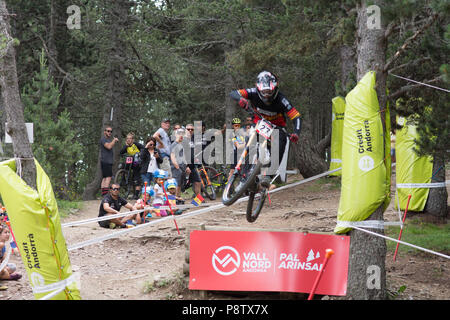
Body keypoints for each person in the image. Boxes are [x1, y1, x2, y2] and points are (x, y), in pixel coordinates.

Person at [230, 70, 301, 188]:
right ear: (258, 89)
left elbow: (296, 116)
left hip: (277, 127)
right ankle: (244, 175)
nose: (266, 95)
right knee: (250, 142)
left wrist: (296, 133)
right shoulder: (252, 93)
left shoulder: (281, 99)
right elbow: (234, 93)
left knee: (280, 144)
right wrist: (240, 99)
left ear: (275, 89)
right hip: (259, 124)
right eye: (264, 92)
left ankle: (269, 176)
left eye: (269, 92)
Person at [119, 132, 145, 199]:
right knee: (121, 165)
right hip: (129, 162)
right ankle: (123, 179)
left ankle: (136, 194)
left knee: (136, 177)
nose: (128, 140)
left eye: (130, 139)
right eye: (127, 139)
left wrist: (139, 154)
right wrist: (126, 146)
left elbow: (143, 148)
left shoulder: (136, 144)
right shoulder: (126, 146)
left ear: (133, 140)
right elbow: (121, 152)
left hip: (137, 162)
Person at [100, 126, 119, 196]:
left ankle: (103, 194)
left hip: (106, 161)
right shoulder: (103, 139)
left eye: (111, 131)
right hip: (106, 161)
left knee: (104, 178)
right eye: (108, 131)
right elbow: (109, 146)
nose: (110, 132)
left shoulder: (108, 140)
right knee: (108, 177)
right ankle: (105, 195)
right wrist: (114, 140)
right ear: (104, 132)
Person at [170, 128, 189, 198]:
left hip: (182, 167)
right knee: (176, 184)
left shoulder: (181, 145)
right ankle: (174, 199)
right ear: (175, 135)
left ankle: (178, 197)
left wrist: (186, 166)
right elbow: (172, 157)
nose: (181, 136)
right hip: (176, 168)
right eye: (179, 134)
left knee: (180, 184)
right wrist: (177, 168)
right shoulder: (174, 144)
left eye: (182, 134)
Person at [185, 123, 202, 196]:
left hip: (192, 165)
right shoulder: (183, 139)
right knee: (179, 184)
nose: (190, 131)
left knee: (197, 182)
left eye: (192, 129)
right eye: (188, 129)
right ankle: (177, 200)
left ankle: (198, 200)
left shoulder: (193, 139)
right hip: (184, 165)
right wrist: (186, 166)